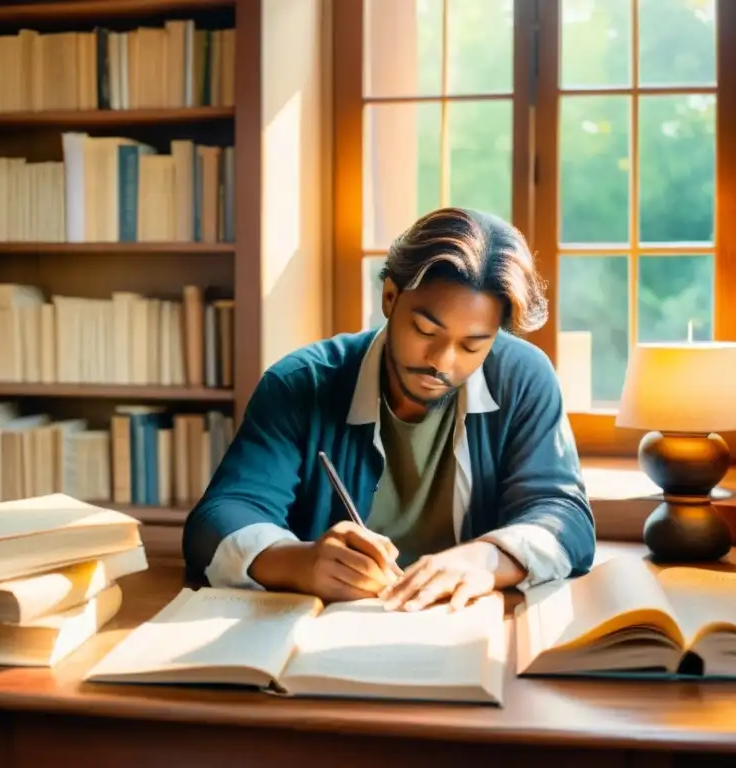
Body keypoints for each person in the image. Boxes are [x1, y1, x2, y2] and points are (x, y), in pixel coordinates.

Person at [183, 207, 595, 612]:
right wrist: (297, 562)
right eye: (425, 330)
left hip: (461, 628)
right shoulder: (301, 382)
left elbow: (565, 517)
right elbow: (218, 517)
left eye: (473, 345)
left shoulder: (524, 377)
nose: (442, 362)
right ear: (390, 296)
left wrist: (486, 560)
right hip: (328, 634)